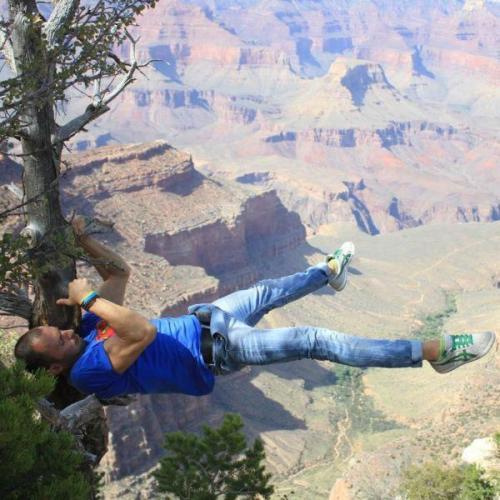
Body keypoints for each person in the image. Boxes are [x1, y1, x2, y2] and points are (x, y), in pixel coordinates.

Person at [14, 218, 496, 400]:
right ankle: (435, 352)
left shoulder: (92, 332)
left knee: (268, 289)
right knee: (314, 340)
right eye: (61, 340)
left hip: (209, 317)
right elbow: (138, 331)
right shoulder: (89, 372)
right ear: (56, 364)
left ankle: (329, 273)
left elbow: (119, 274)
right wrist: (86, 299)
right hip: (219, 350)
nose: (69, 332)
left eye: (63, 329)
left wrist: (83, 241)